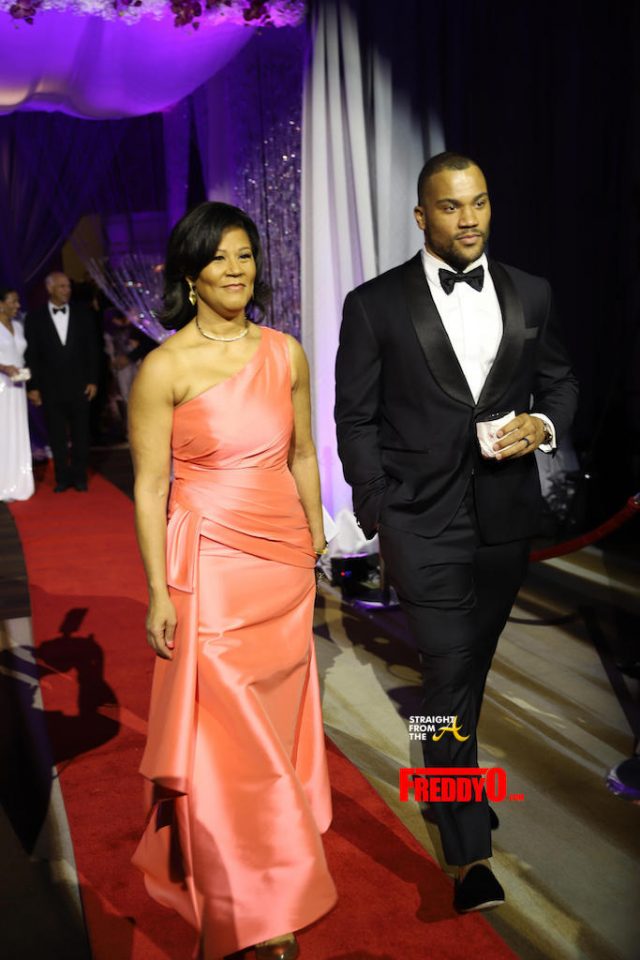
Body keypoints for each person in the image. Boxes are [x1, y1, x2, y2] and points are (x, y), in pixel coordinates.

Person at [335, 152, 578, 912]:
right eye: (450, 206)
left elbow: (560, 381)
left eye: (478, 202)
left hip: (505, 520)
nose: (468, 219)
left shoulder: (531, 292)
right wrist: (379, 506)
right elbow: (355, 418)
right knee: (444, 674)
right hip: (419, 522)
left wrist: (542, 426)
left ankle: (447, 780)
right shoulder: (374, 304)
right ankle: (469, 851)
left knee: (468, 670)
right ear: (422, 216)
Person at [129, 202, 337, 960]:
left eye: (245, 254)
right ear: (190, 274)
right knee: (230, 737)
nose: (235, 269)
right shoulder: (164, 368)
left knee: (273, 727)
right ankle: (257, 905)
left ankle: (268, 869)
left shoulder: (286, 353)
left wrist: (315, 535)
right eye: (218, 257)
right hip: (210, 567)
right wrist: (158, 590)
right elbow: (151, 486)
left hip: (282, 565)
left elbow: (304, 453)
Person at [24, 272, 98, 492]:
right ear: (50, 289)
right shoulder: (35, 318)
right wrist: (33, 386)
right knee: (56, 435)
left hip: (80, 385)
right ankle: (62, 478)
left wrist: (93, 380)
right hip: (50, 387)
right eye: (62, 286)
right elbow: (31, 355)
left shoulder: (83, 314)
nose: (67, 290)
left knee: (81, 434)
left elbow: (93, 350)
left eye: (68, 286)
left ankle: (80, 476)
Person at [0, 287, 34, 501]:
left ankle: (18, 481)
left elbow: (21, 355)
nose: (18, 305)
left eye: (18, 301)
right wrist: (3, 367)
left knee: (17, 429)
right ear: (1, 304)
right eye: (13, 301)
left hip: (18, 386)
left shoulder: (19, 327)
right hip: (1, 387)